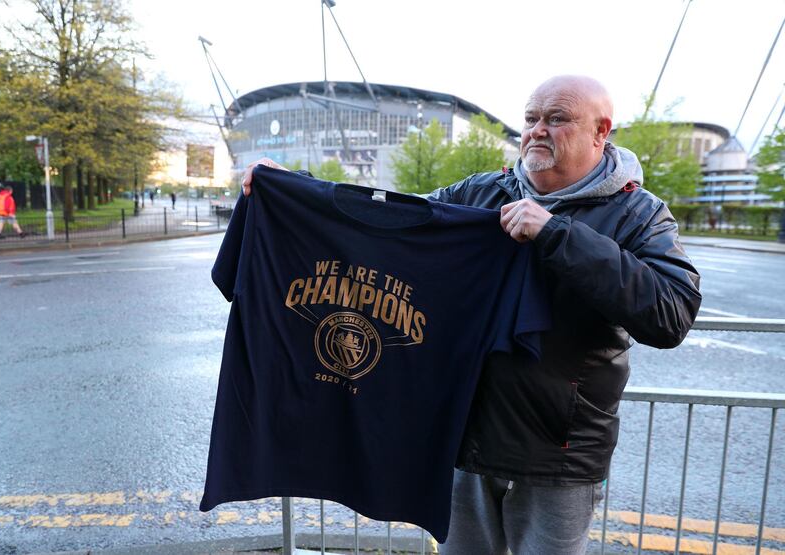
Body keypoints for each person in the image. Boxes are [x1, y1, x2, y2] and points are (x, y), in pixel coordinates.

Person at [240, 75, 701, 555]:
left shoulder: (638, 213)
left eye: (557, 118)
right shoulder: (482, 192)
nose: (538, 130)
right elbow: (393, 228)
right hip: (466, 442)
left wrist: (558, 235)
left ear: (601, 131)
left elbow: (672, 314)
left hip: (559, 457)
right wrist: (294, 188)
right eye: (531, 118)